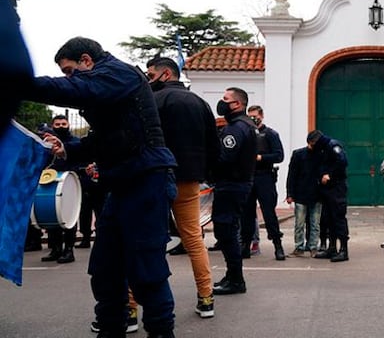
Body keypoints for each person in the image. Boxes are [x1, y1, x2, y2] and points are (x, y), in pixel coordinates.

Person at [26, 37, 177, 338]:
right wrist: (65, 149)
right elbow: (102, 140)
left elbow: (76, 89)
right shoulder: (107, 87)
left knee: (147, 271)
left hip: (147, 180)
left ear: (86, 60)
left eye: (70, 71)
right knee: (105, 271)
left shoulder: (118, 73)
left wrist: (18, 82)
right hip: (120, 184)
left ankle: (161, 333)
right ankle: (110, 329)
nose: (69, 78)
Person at [146, 57, 220, 317]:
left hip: (156, 178)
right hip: (189, 180)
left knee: (146, 240)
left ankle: (131, 307)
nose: (148, 79)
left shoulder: (153, 101)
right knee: (194, 239)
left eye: (150, 74)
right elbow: (213, 144)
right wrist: (207, 175)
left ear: (166, 74)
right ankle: (206, 297)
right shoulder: (200, 103)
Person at [211, 87, 258, 295]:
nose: (222, 103)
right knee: (227, 230)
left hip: (231, 185)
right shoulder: (243, 125)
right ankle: (232, 275)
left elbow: (225, 158)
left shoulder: (237, 128)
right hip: (237, 184)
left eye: (225, 99)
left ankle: (236, 279)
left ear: (237, 104)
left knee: (226, 231)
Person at [240, 105, 285, 261]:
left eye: (255, 116)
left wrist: (261, 158)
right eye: (250, 116)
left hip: (264, 177)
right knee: (246, 214)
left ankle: (278, 246)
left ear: (261, 116)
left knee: (269, 214)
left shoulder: (270, 134)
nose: (253, 119)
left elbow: (279, 156)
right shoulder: (246, 134)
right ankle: (245, 245)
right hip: (249, 177)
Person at [40, 115, 81, 264]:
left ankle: (68, 250)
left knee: (68, 216)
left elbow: (79, 158)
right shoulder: (49, 142)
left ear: (68, 124)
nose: (61, 126)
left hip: (69, 183)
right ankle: (56, 249)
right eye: (57, 124)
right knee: (52, 215)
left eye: (64, 123)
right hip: (51, 182)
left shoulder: (74, 142)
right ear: (53, 125)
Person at [308, 130, 350, 262]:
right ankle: (331, 248)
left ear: (316, 141)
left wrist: (329, 175)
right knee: (327, 219)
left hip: (336, 187)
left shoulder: (332, 145)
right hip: (325, 189)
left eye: (311, 144)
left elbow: (342, 161)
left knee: (338, 218)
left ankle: (343, 250)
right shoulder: (321, 149)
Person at [285, 144, 321, 257]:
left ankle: (313, 246)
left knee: (314, 224)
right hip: (302, 194)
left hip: (316, 195)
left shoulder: (321, 155)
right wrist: (290, 193)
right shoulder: (299, 155)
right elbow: (292, 175)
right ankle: (300, 247)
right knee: (300, 224)